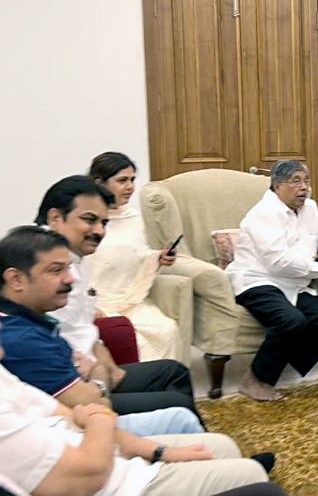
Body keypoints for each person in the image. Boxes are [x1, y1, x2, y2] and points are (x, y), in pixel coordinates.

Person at [0, 340, 270, 495]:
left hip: (107, 456)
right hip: (112, 482)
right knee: (257, 479)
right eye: (55, 270)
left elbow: (79, 412)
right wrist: (99, 418)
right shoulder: (22, 339)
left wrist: (160, 452)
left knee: (221, 445)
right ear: (17, 280)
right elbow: (90, 469)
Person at [29, 179, 201, 420]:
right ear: (56, 218)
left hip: (94, 371)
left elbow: (80, 325)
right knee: (176, 405)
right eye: (89, 220)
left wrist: (102, 358)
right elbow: (50, 344)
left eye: (104, 222)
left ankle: (195, 449)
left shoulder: (72, 257)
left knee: (173, 371)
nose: (100, 231)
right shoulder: (38, 265)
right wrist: (99, 376)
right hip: (72, 392)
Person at [226, 159, 318, 402]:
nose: (304, 187)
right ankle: (255, 380)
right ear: (277, 186)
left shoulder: (310, 208)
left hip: (294, 284)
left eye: (306, 181)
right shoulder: (262, 214)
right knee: (291, 321)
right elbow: (278, 262)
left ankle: (282, 359)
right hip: (257, 281)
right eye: (296, 181)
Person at [85, 151, 180, 361]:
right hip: (97, 303)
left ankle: (158, 387)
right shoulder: (85, 219)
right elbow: (78, 268)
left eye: (132, 180)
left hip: (130, 300)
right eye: (122, 180)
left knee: (166, 329)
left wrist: (158, 257)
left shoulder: (133, 216)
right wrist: (88, 306)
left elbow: (136, 253)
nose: (130, 187)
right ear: (99, 183)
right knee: (128, 337)